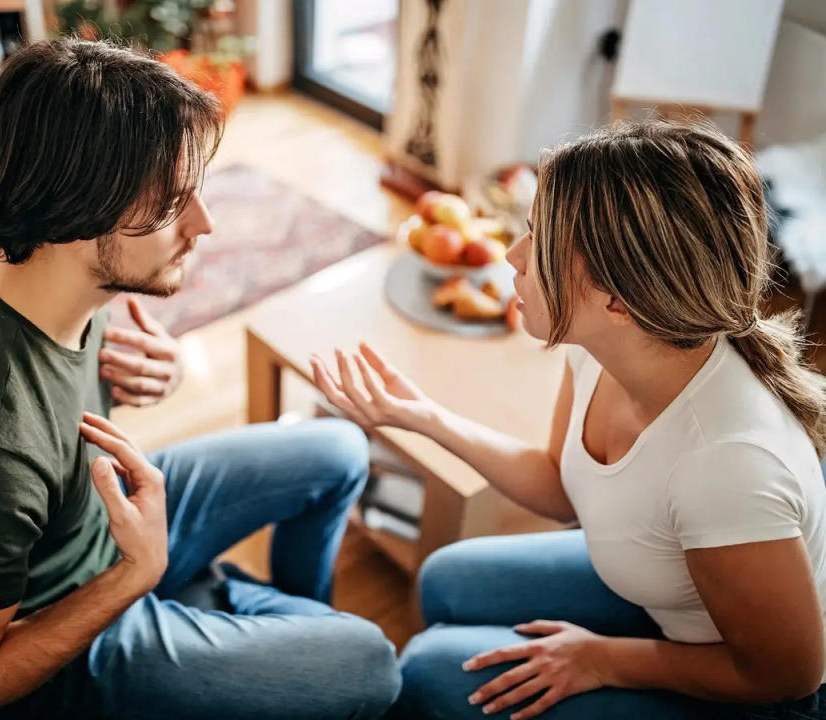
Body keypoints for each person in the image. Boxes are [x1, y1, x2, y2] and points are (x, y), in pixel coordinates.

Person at [0, 38, 399, 720]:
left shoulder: (21, 256)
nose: (205, 225)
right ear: (79, 211)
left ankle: (259, 629)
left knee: (340, 452)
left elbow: (51, 389)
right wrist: (136, 576)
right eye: (175, 203)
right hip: (57, 630)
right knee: (374, 663)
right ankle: (228, 616)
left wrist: (158, 372)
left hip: (97, 524)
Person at [312, 121, 826, 719]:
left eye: (540, 240)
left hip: (751, 689)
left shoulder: (727, 467)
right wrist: (420, 417)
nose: (513, 254)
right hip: (667, 600)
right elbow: (560, 487)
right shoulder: (601, 345)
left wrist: (604, 659)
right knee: (443, 578)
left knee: (429, 670)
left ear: (618, 300)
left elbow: (788, 675)